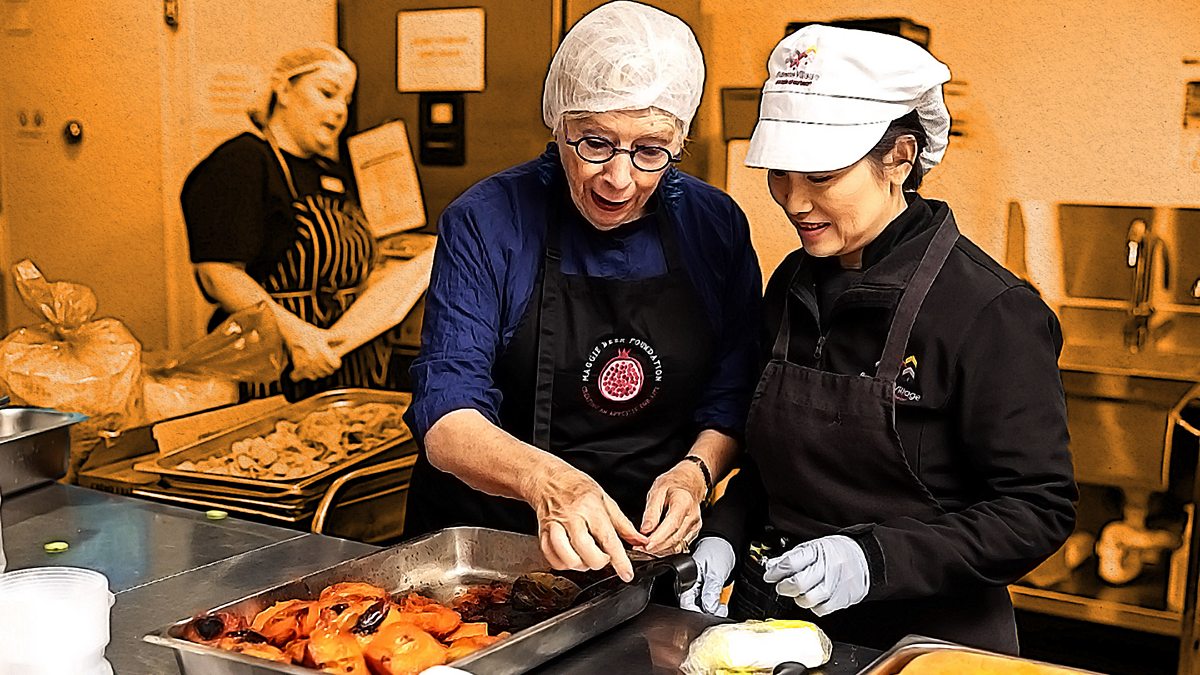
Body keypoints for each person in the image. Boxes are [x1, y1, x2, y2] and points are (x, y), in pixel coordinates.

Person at [680, 25, 1077, 654]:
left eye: (821, 176)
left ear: (899, 157)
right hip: (778, 632)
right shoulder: (792, 283)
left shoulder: (990, 311)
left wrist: (872, 561)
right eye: (780, 173)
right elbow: (774, 464)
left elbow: (1037, 509)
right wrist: (724, 532)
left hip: (924, 645)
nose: (794, 201)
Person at [403, 1, 762, 582]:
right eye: (594, 143)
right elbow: (446, 413)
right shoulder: (487, 220)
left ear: (680, 141)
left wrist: (696, 473)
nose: (619, 179)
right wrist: (549, 483)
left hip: (644, 552)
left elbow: (734, 390)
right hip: (489, 553)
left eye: (651, 151)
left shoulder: (714, 225)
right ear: (559, 125)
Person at [182, 43, 415, 401]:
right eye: (327, 93)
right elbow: (218, 273)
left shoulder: (331, 172)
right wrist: (297, 336)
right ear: (284, 90)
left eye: (346, 101)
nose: (339, 110)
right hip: (277, 368)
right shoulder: (243, 161)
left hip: (348, 366)